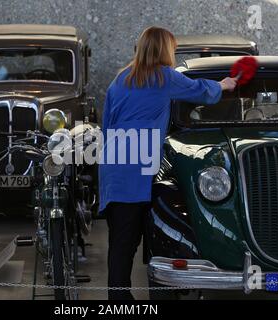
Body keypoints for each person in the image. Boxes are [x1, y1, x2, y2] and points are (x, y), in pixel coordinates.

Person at [99, 26, 237, 300]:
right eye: (171, 48)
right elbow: (200, 91)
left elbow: (107, 124)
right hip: (137, 165)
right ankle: (119, 300)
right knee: (139, 235)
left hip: (114, 163)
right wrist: (224, 85)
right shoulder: (163, 78)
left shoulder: (121, 78)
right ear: (164, 49)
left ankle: (118, 296)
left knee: (121, 240)